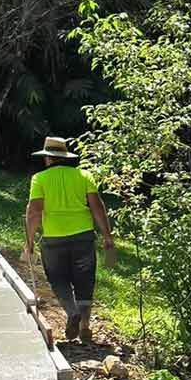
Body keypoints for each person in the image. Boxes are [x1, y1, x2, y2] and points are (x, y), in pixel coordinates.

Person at [24, 136, 115, 343]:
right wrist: (107, 236)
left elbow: (34, 212)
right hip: (83, 237)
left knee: (58, 279)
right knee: (85, 281)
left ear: (48, 158)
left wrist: (29, 241)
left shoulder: (39, 178)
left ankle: (72, 311)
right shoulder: (84, 176)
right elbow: (97, 207)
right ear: (65, 157)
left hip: (53, 239)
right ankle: (84, 326)